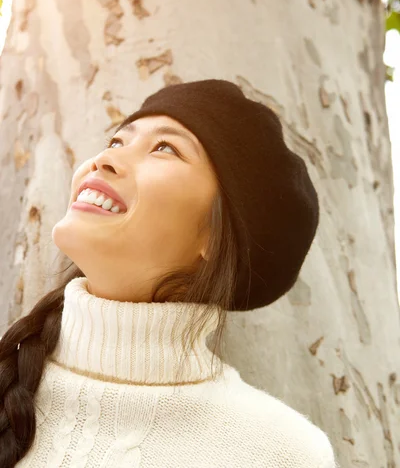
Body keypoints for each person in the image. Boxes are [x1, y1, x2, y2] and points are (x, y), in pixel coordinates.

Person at [0, 79, 338, 467]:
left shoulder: (279, 451)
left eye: (165, 148)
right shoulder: (9, 379)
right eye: (116, 142)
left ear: (216, 234)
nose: (104, 160)